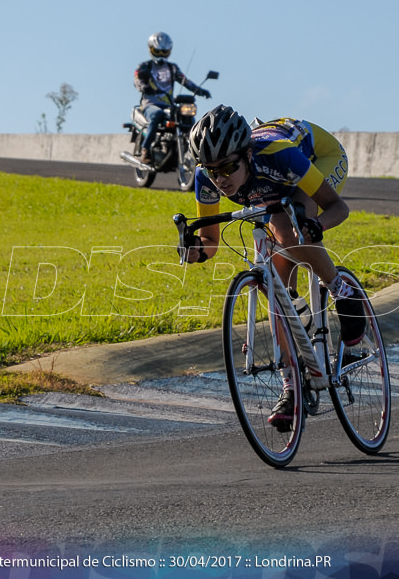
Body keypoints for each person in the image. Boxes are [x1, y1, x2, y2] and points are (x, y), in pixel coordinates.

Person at [183, 105, 371, 432]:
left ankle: (342, 290)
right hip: (271, 188)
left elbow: (338, 208)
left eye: (228, 167)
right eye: (212, 171)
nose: (221, 178)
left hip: (317, 157)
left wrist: (316, 226)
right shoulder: (207, 177)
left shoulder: (278, 155)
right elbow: (209, 241)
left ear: (246, 154)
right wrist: (194, 251)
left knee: (293, 234)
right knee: (277, 290)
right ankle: (291, 387)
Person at [133, 32, 211, 163]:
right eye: (157, 51)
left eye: (165, 52)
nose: (161, 55)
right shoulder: (145, 67)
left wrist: (200, 90)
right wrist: (143, 87)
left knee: (187, 118)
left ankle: (189, 148)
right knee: (156, 114)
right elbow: (137, 80)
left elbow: (185, 81)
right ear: (151, 49)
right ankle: (145, 150)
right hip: (150, 104)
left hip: (169, 106)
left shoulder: (172, 68)